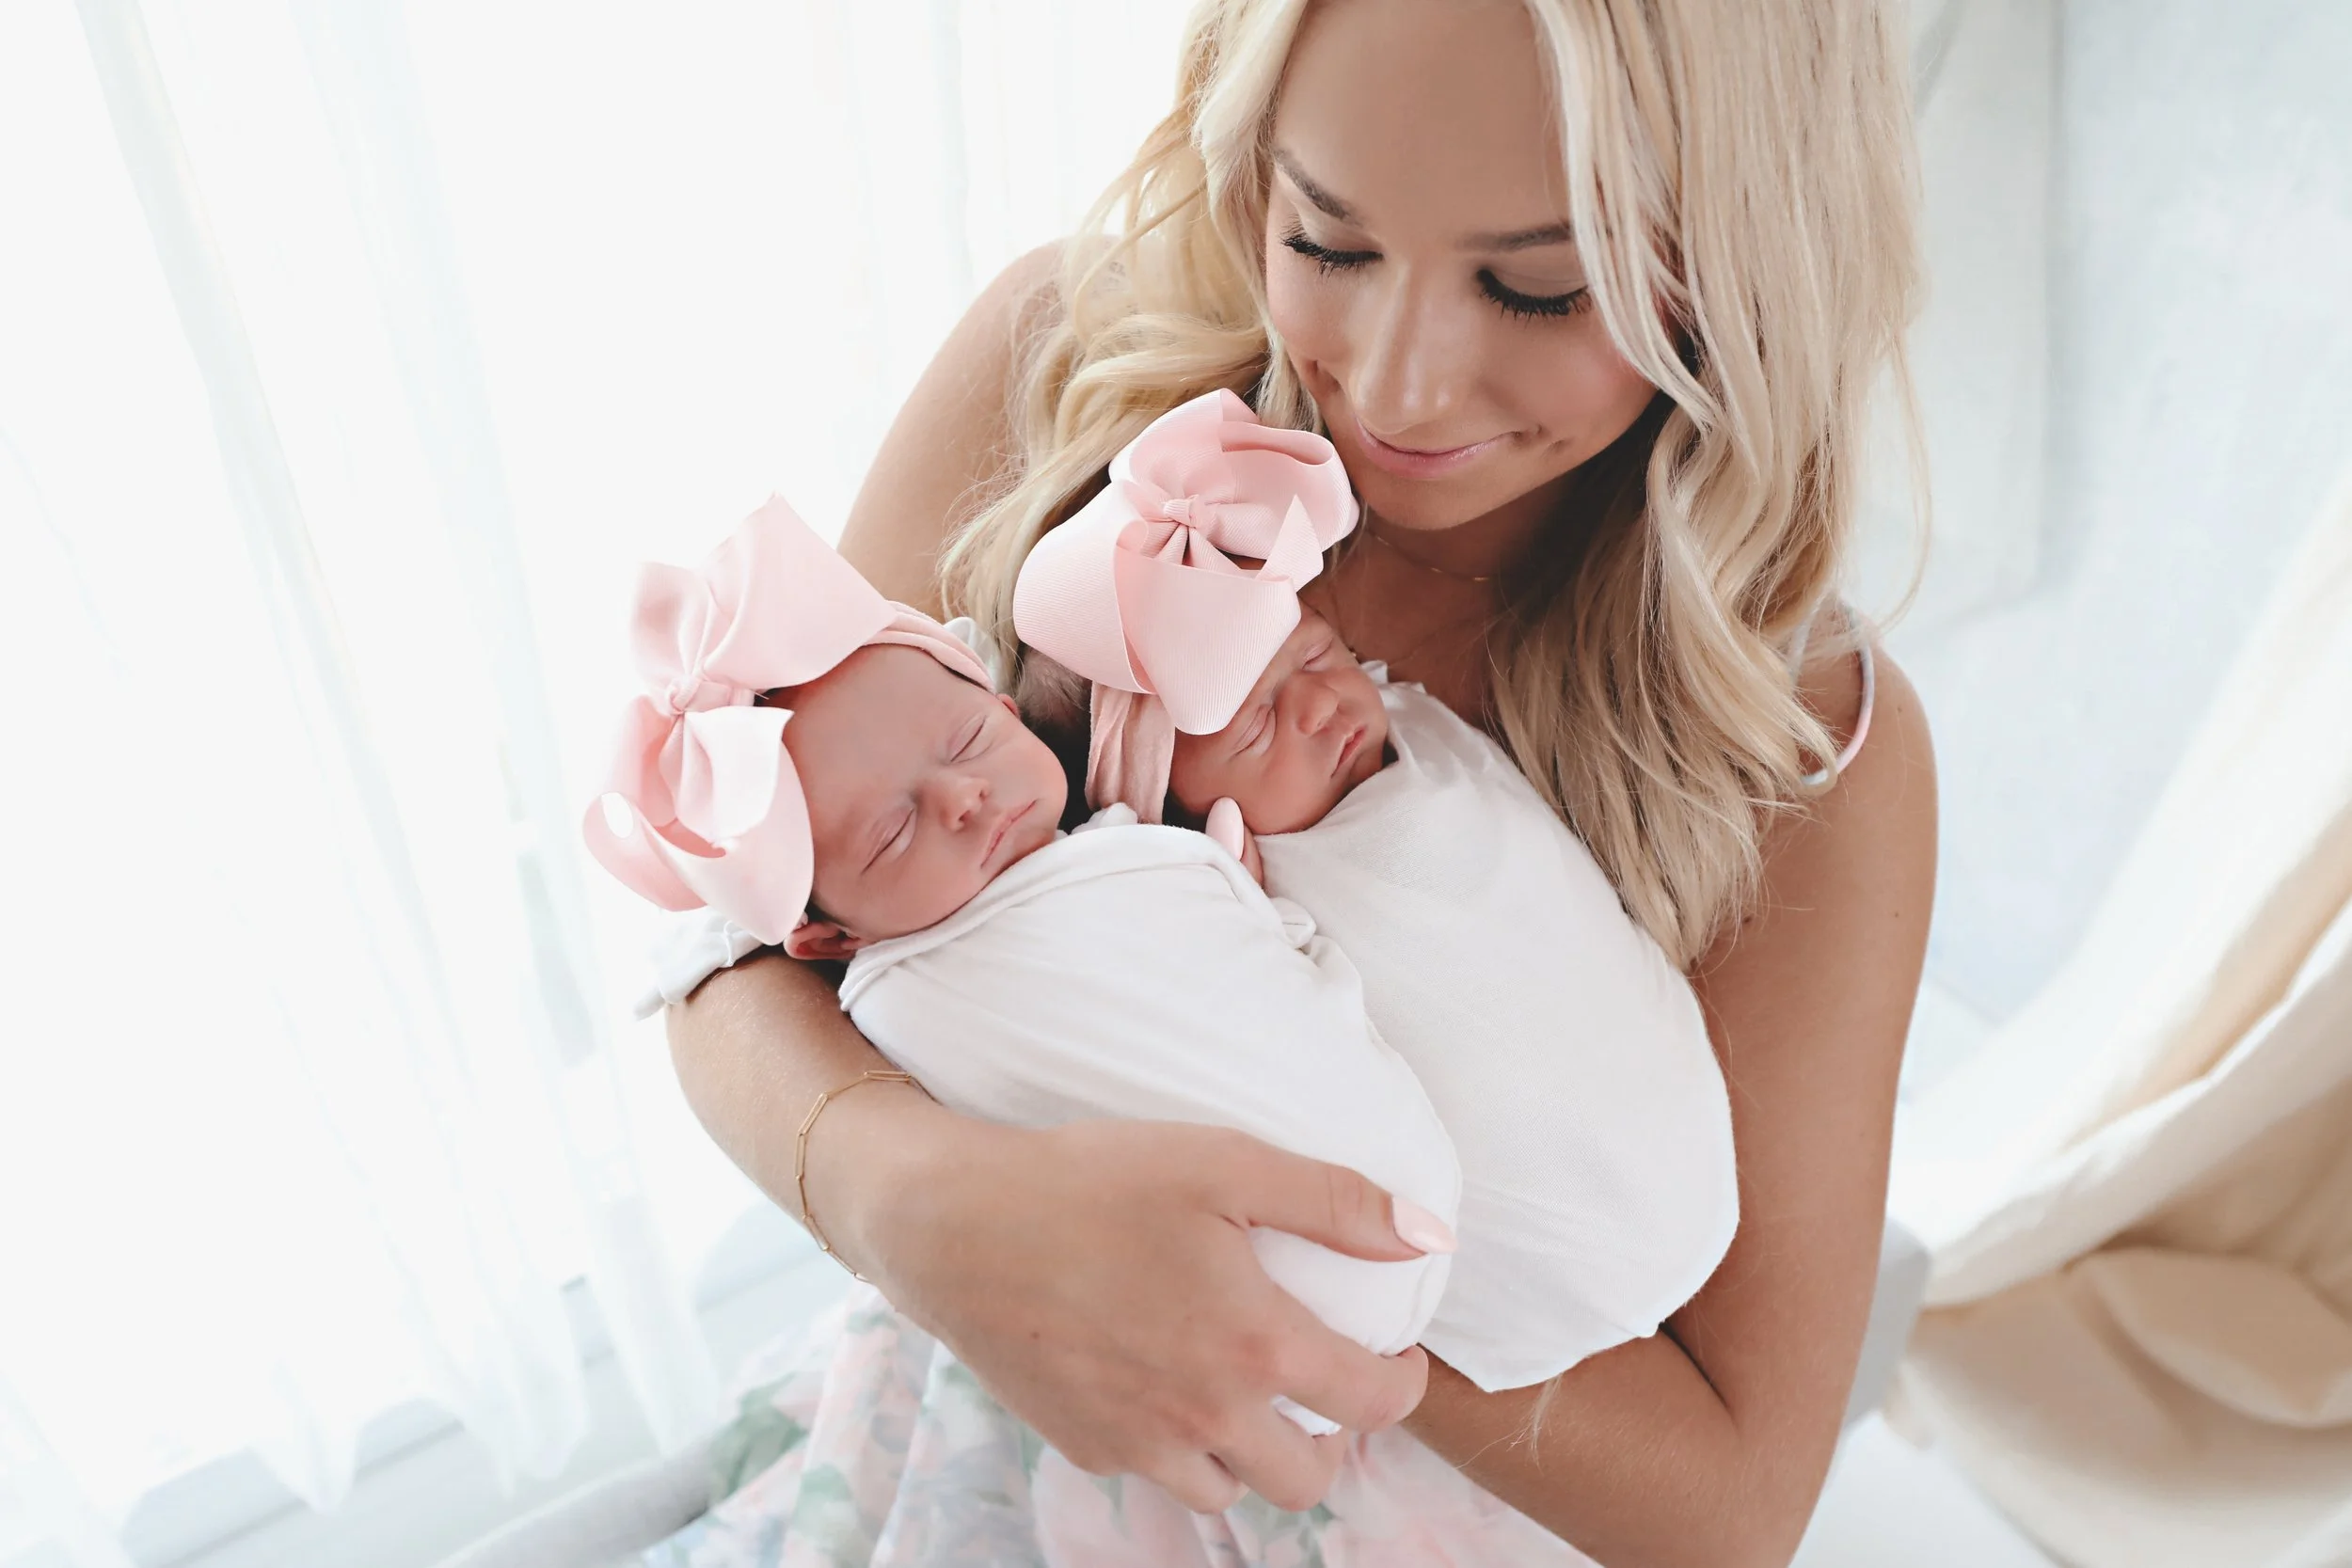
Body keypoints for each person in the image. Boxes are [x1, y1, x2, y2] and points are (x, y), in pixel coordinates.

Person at [663, 0, 1936, 1561]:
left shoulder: (1801, 745)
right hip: (989, 1402)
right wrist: (905, 1194)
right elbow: (732, 944)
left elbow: (1731, 1503)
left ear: (1753, 254)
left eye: (1537, 286)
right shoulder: (1063, 372)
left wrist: (1245, 1279)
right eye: (1328, 241)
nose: (1397, 390)